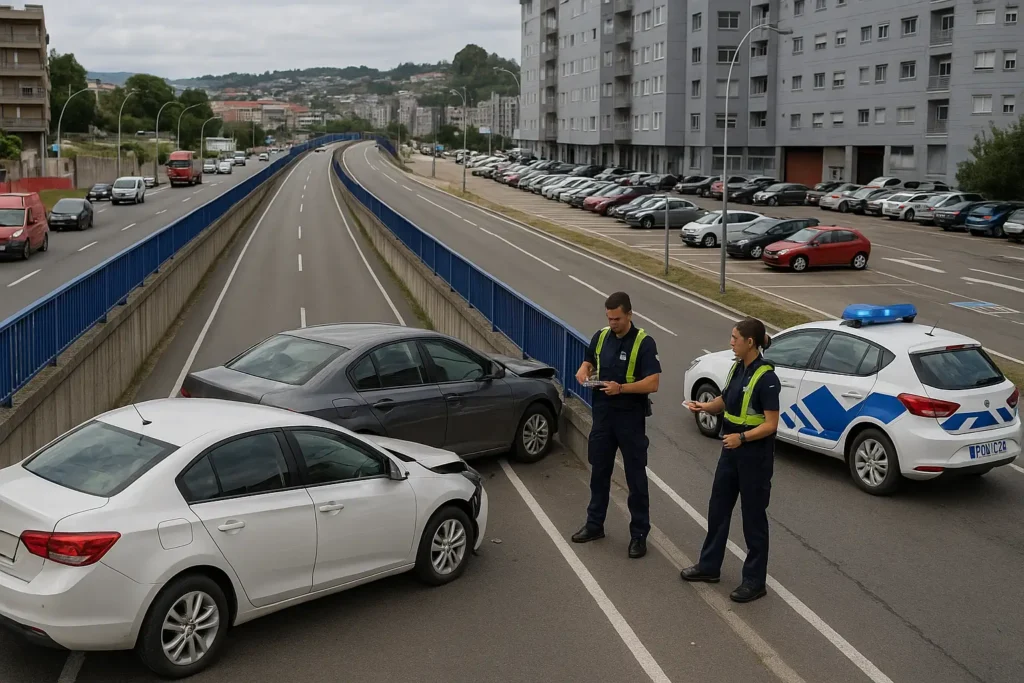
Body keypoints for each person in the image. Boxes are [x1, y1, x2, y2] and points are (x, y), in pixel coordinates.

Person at [681, 318, 780, 603]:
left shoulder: (767, 379)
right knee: (718, 510)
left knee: (753, 520)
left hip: (753, 455)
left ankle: (754, 581)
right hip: (731, 450)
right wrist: (705, 406)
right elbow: (726, 400)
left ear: (750, 342)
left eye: (735, 337)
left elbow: (772, 424)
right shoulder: (738, 367)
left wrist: (743, 438)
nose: (731, 341)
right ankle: (709, 566)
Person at [572, 291, 661, 559]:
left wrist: (621, 388)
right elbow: (589, 361)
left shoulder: (644, 342)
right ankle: (594, 524)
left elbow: (653, 383)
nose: (613, 323)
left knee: (635, 479)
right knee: (599, 473)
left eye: (618, 319)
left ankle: (639, 535)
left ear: (630, 314)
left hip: (630, 419)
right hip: (603, 417)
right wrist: (583, 371)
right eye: (609, 318)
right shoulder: (601, 336)